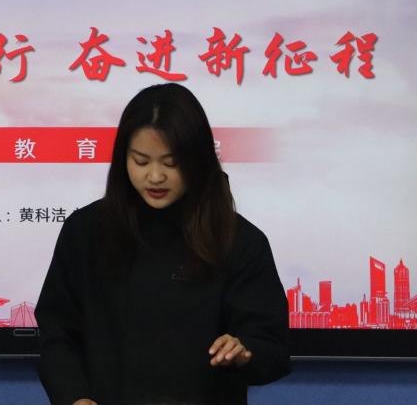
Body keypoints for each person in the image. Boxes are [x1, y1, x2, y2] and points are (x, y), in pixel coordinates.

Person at [36, 83, 291, 405]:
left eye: (171, 163)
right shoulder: (85, 231)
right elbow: (57, 333)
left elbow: (272, 346)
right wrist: (75, 397)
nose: (155, 176)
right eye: (141, 161)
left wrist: (244, 351)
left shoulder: (239, 241)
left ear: (199, 160)